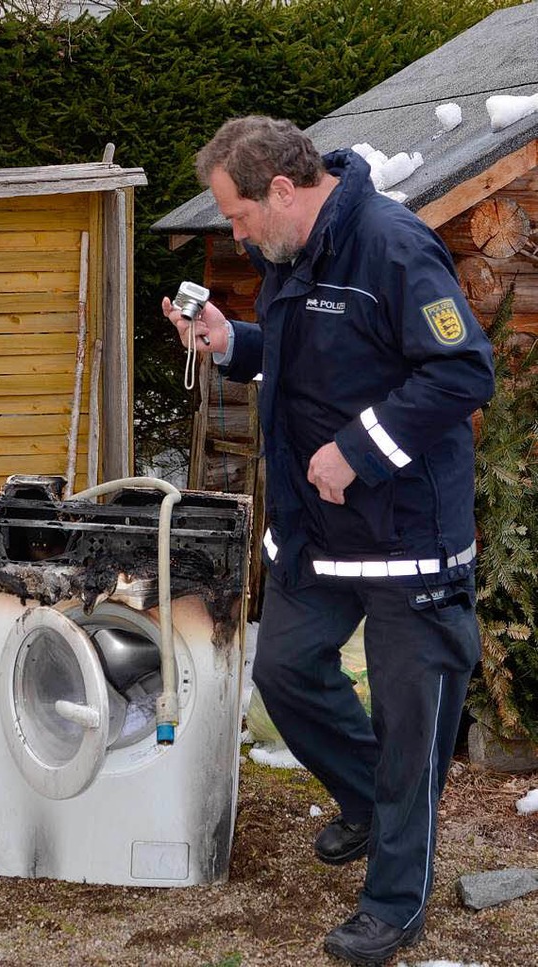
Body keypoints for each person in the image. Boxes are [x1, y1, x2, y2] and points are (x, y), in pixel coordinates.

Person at [162, 116, 495, 965]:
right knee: (285, 671)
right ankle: (371, 801)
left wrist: (358, 449)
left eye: (237, 214)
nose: (233, 233)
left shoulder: (392, 246)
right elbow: (309, 360)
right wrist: (230, 341)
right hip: (320, 533)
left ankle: (393, 903)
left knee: (411, 727)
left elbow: (461, 371)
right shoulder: (292, 257)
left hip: (407, 543)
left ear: (281, 189)